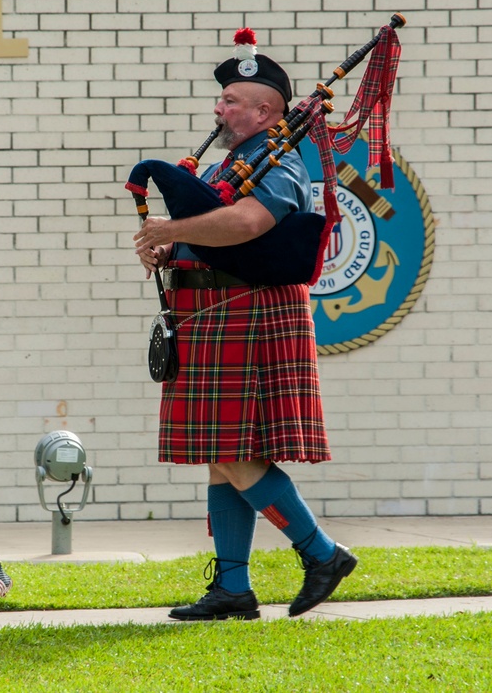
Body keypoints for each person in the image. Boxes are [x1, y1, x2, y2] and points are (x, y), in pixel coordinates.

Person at [132, 31, 357, 620]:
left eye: (231, 100)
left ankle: (322, 553)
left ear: (264, 111)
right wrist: (172, 251)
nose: (219, 108)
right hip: (213, 312)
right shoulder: (229, 165)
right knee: (221, 453)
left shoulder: (278, 163)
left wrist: (173, 229)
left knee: (232, 453)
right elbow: (215, 234)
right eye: (222, 99)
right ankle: (232, 588)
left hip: (248, 311)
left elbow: (249, 224)